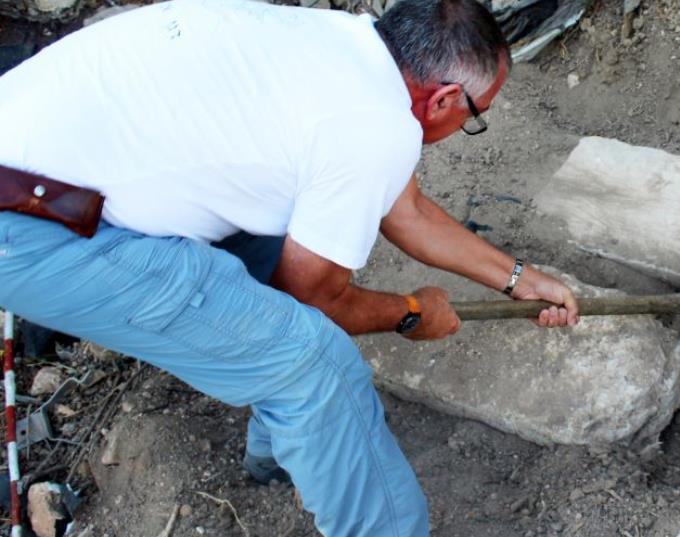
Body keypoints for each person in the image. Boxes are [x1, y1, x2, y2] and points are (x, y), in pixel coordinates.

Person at [0, 0, 578, 534]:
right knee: (312, 362)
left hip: (40, 174)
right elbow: (314, 299)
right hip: (39, 231)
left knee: (268, 241)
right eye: (476, 115)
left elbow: (409, 209)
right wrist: (410, 313)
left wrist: (520, 279)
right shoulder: (372, 124)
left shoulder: (343, 45)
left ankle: (274, 454)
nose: (466, 128)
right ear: (446, 99)